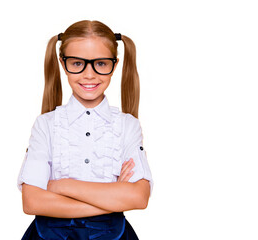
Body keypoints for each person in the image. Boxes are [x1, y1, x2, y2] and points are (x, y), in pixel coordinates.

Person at [17, 20, 153, 240]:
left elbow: (138, 198)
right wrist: (111, 200)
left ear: (114, 64)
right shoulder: (46, 124)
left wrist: (61, 186)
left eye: (100, 63)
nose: (89, 74)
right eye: (78, 63)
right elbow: (32, 202)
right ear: (63, 64)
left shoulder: (128, 125)